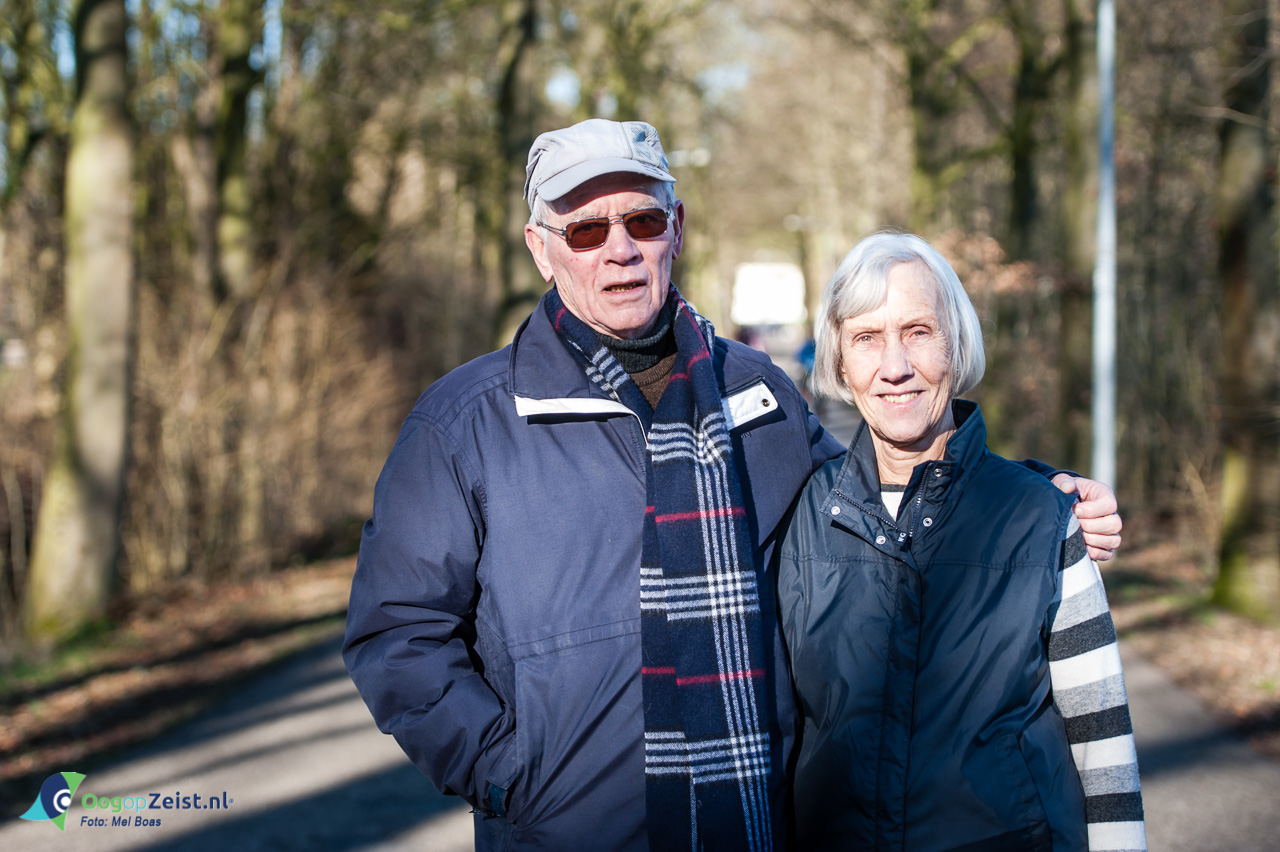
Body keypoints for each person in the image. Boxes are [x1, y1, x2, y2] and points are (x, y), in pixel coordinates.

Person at [342, 119, 1124, 852]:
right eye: (586, 229)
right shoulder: (467, 425)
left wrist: (1025, 490)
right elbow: (396, 634)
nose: (620, 249)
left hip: (759, 825)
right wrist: (510, 773)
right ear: (543, 249)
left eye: (642, 221)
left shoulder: (755, 393)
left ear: (674, 229)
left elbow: (872, 497)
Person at [778, 232, 1146, 851]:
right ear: (840, 363)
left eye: (918, 331)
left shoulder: (1039, 518)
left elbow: (1104, 745)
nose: (895, 366)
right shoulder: (804, 519)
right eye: (867, 338)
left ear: (956, 342)